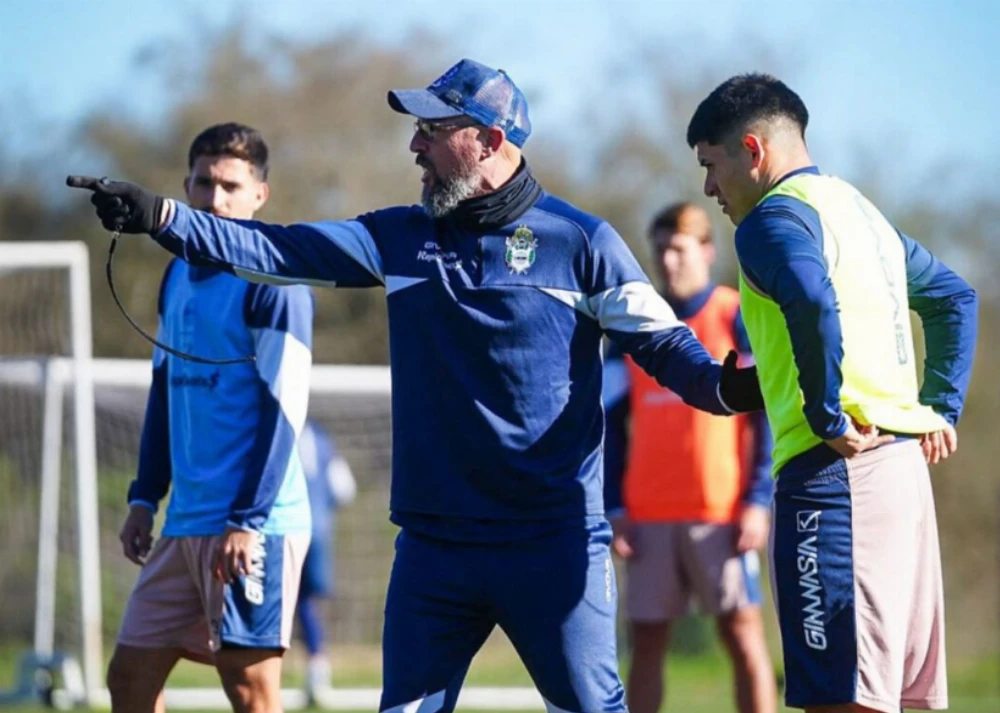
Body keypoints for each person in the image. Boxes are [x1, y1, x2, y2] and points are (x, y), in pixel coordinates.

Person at [68, 59, 765, 713]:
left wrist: (728, 391)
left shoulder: (580, 241)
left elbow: (666, 347)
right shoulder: (398, 238)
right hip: (435, 548)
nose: (414, 146)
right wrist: (162, 217)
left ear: (489, 140)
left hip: (552, 541)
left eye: (433, 131)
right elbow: (274, 249)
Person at [685, 73, 978, 713]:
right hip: (902, 478)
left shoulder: (769, 222)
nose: (709, 189)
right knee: (897, 697)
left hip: (835, 475)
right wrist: (937, 407)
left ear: (753, 151)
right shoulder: (861, 214)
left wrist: (821, 410)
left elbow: (811, 297)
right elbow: (955, 297)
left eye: (711, 165)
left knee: (842, 699)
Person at [102, 123, 315, 713]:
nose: (215, 198)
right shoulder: (176, 274)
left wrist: (247, 519)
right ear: (185, 188)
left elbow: (283, 410)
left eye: (230, 185)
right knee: (129, 679)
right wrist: (146, 496)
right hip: (185, 523)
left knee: (250, 693)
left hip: (254, 527)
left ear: (259, 196)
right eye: (203, 183)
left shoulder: (274, 278)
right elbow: (166, 390)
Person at [603, 201, 777, 713]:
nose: (668, 262)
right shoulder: (634, 322)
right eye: (659, 250)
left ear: (706, 250)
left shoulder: (734, 313)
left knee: (743, 635)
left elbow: (765, 414)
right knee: (647, 641)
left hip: (721, 514)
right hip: (647, 515)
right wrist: (615, 506)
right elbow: (612, 423)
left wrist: (758, 499)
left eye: (678, 249)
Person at [295, 418, 357, 705]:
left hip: (286, 531)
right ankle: (317, 671)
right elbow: (345, 489)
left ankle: (313, 672)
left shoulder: (275, 429)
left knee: (291, 602)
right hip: (320, 531)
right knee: (306, 601)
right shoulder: (322, 439)